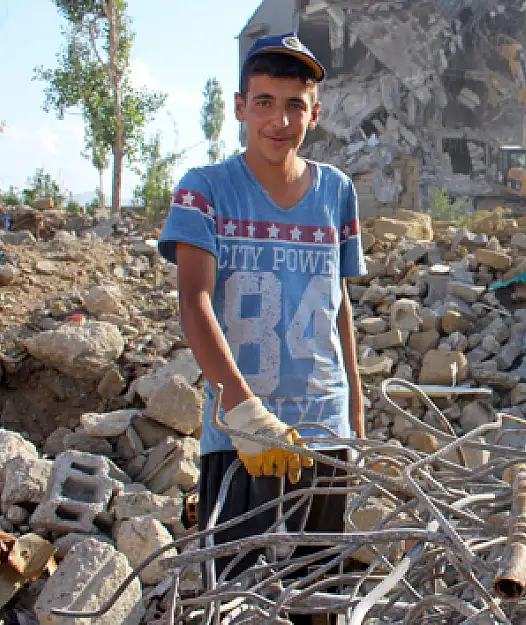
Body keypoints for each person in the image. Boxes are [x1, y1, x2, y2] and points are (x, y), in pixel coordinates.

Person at [157, 32, 366, 623]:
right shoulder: (207, 190)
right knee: (238, 598)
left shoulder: (336, 194)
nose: (280, 119)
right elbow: (194, 301)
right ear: (240, 106)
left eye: (295, 104)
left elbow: (337, 300)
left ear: (315, 113)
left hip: (321, 432)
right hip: (242, 436)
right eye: (266, 102)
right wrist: (242, 409)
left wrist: (354, 402)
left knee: (318, 593)